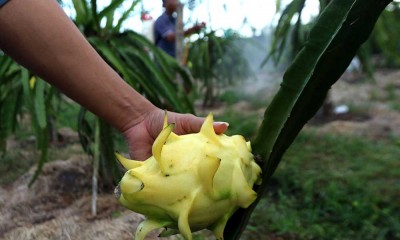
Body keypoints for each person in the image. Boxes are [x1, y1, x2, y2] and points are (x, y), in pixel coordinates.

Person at [0, 0, 227, 161]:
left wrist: (138, 118)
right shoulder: (161, 21)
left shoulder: (175, 19)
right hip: (163, 66)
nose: (176, 2)